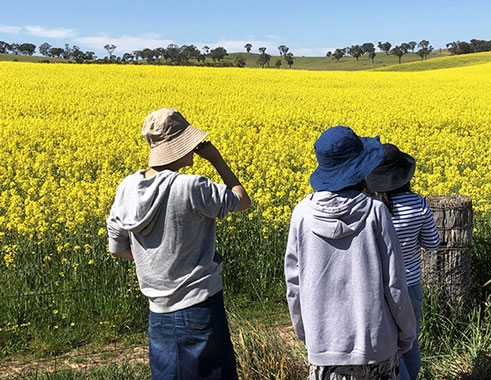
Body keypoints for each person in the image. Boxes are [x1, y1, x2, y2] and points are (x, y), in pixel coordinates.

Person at [106, 107, 250, 380]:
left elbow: (117, 248)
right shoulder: (191, 186)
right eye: (190, 142)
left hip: (158, 313)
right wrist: (216, 159)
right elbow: (242, 200)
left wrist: (153, 257)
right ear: (177, 147)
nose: (195, 147)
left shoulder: (127, 187)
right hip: (200, 306)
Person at [284, 126, 417, 380]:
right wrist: (407, 333)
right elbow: (395, 283)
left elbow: (294, 285)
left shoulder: (300, 214)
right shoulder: (376, 211)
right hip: (376, 345)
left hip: (323, 346)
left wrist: (307, 333)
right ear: (360, 167)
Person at [365, 143, 442, 380]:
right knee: (410, 342)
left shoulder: (372, 207)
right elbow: (432, 242)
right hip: (410, 286)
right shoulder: (418, 203)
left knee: (391, 349)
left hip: (381, 288)